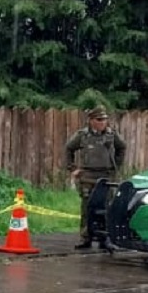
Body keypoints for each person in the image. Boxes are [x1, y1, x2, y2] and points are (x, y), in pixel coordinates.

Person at [64, 105, 127, 250]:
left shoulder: (111, 135)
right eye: (99, 119)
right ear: (91, 121)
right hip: (88, 176)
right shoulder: (83, 135)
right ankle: (85, 237)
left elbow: (122, 147)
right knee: (87, 207)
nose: (102, 122)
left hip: (106, 176)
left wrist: (116, 166)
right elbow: (68, 148)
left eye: (104, 119)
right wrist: (73, 168)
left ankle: (105, 238)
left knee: (106, 207)